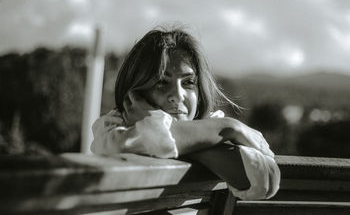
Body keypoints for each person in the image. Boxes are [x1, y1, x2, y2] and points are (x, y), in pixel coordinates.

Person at [91, 27, 280, 200]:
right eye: (162, 82)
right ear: (136, 93)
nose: (178, 96)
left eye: (188, 82)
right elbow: (137, 143)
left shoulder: (208, 124)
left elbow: (266, 180)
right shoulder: (111, 129)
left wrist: (184, 142)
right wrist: (229, 127)